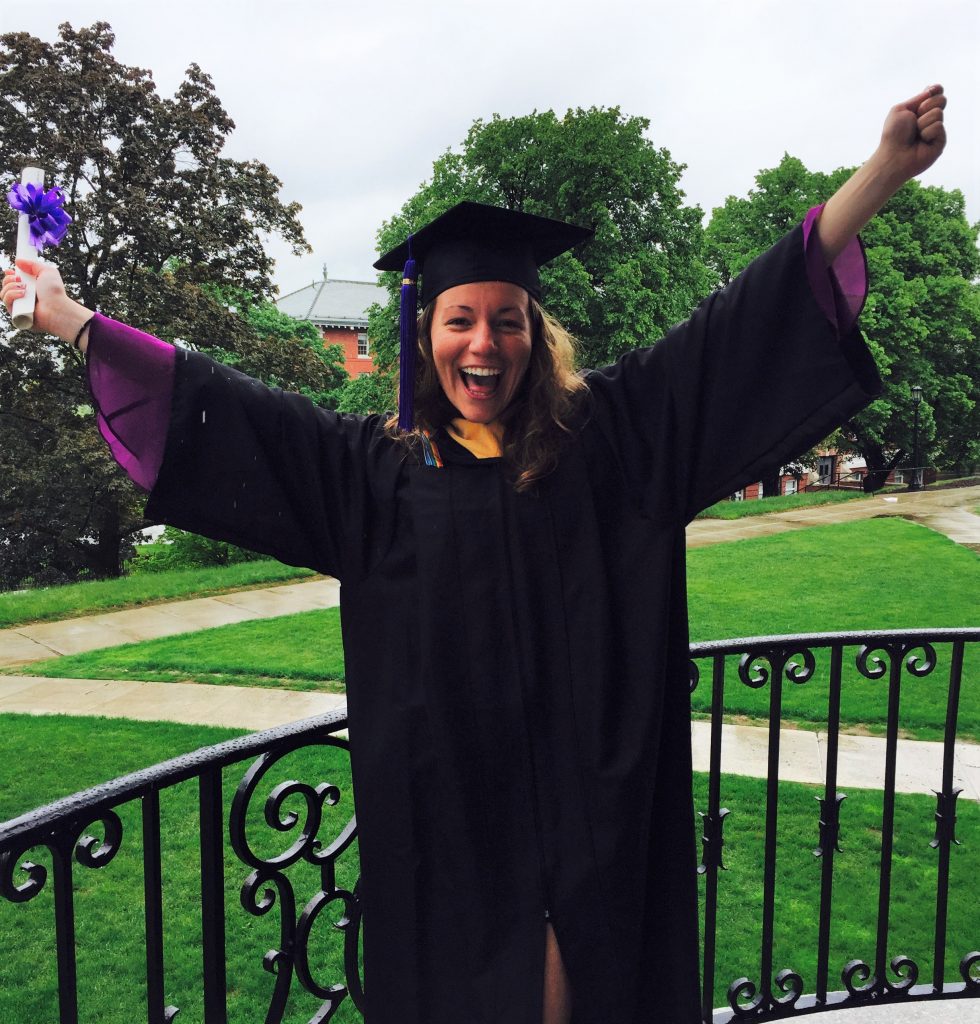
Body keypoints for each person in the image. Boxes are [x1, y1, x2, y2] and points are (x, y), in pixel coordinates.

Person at [2, 86, 947, 1024]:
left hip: (598, 803)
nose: (484, 342)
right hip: (452, 814)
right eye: (460, 319)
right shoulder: (370, 476)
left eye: (508, 318)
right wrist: (72, 320)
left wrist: (882, 173)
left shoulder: (615, 441)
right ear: (427, 336)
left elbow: (740, 324)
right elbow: (233, 410)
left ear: (538, 335)